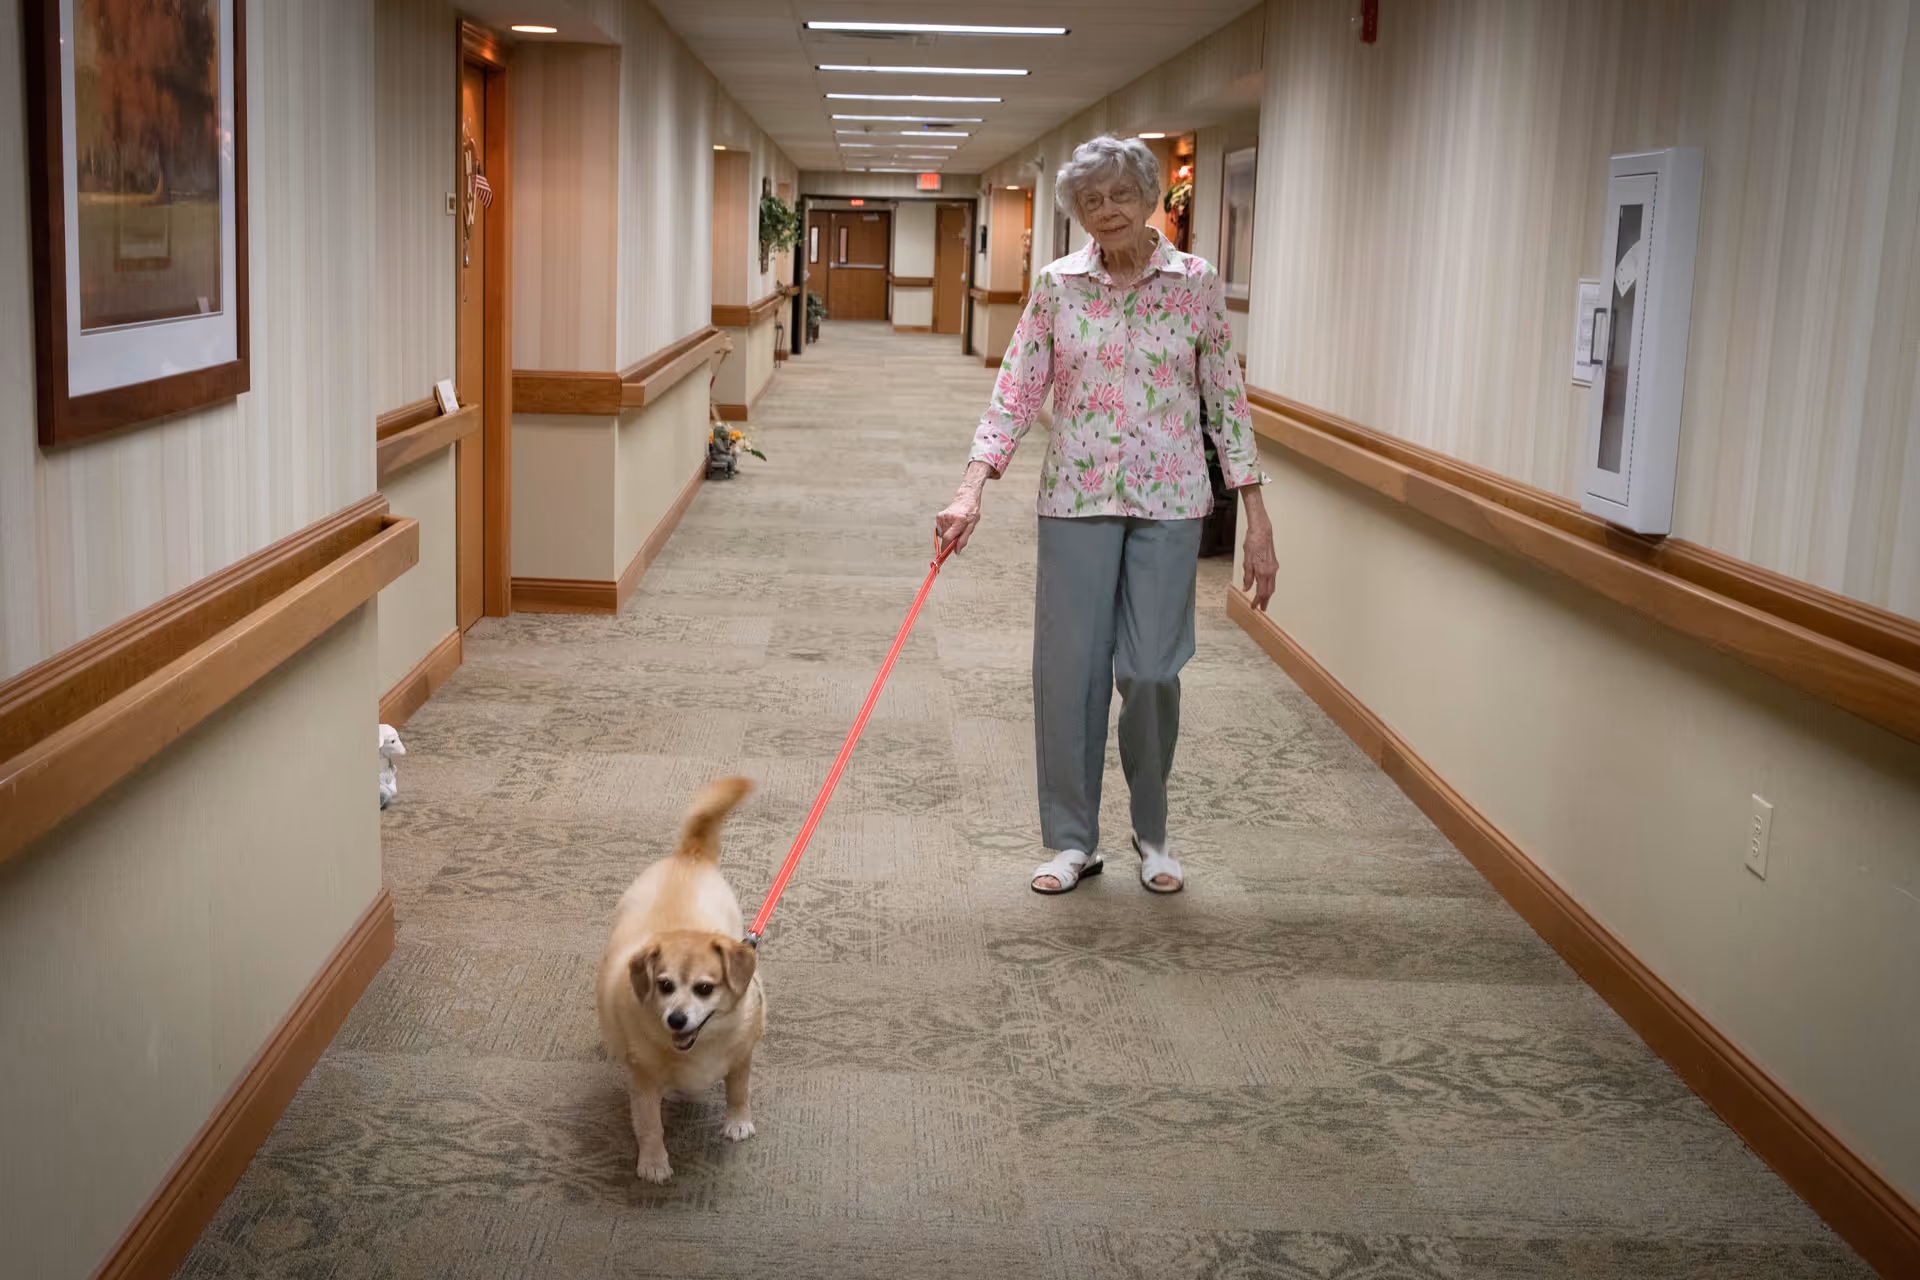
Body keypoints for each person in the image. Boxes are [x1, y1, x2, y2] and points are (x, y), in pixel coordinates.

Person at [934, 134, 1278, 896]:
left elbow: (1227, 402)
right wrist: (972, 486)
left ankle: (1151, 831)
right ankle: (1071, 840)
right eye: (1091, 201)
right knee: (1069, 673)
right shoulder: (1059, 285)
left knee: (1152, 672)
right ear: (1078, 213)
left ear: (1149, 198)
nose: (1107, 211)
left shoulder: (1194, 283)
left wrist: (1256, 517)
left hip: (1171, 500)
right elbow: (1017, 391)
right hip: (1077, 500)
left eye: (1121, 195)